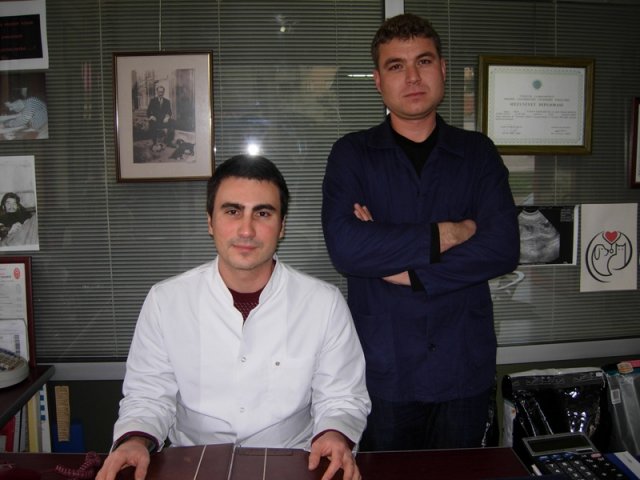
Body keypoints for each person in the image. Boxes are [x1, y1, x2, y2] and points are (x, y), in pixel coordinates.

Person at [96, 155, 370, 480]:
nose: (246, 230)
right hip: (192, 464)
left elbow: (342, 397)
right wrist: (134, 440)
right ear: (210, 222)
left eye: (263, 213)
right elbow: (148, 394)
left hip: (293, 464)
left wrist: (335, 433)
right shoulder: (166, 300)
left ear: (282, 226)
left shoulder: (323, 303)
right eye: (232, 211)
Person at [321, 13, 519, 452]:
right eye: (396, 66)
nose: (412, 77)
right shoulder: (352, 155)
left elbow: (503, 247)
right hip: (383, 366)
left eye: (423, 62)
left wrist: (407, 269)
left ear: (443, 69)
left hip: (463, 364)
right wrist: (452, 232)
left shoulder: (478, 154)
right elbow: (347, 248)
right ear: (378, 81)